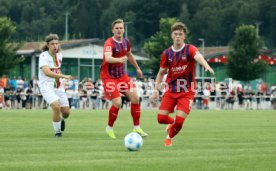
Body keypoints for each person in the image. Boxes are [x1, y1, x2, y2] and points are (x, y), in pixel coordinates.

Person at [151, 22, 215, 147]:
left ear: (184, 36)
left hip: (187, 91)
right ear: (172, 36)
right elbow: (161, 73)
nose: (178, 36)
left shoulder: (189, 49)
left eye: (180, 34)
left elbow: (198, 56)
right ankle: (173, 123)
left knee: (180, 122)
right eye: (175, 34)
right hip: (171, 89)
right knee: (161, 119)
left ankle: (169, 138)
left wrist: (206, 65)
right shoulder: (167, 53)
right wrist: (155, 90)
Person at [100, 18, 148, 139]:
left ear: (124, 29)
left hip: (122, 76)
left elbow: (129, 54)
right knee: (117, 102)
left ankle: (136, 127)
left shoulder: (126, 41)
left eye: (121, 28)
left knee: (135, 98)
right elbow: (108, 58)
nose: (119, 30)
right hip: (109, 77)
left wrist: (137, 68)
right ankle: (109, 128)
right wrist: (119, 60)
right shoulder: (109, 43)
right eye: (117, 28)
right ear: (113, 30)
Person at [38, 33, 72, 137]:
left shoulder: (60, 55)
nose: (55, 46)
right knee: (56, 106)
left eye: (57, 43)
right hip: (46, 86)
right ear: (48, 45)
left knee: (66, 113)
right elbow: (47, 72)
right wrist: (63, 76)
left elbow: (56, 70)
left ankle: (61, 119)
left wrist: (62, 80)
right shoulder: (43, 56)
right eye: (53, 44)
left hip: (58, 86)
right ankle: (58, 133)